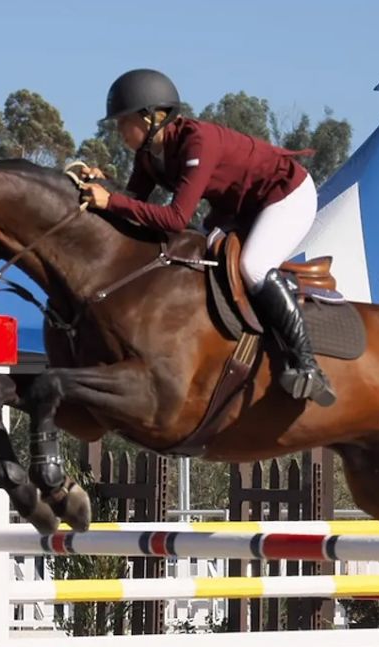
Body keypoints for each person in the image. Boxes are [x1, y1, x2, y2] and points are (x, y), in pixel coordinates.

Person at [79, 68, 336, 407]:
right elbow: (135, 202)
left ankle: (307, 365)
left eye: (124, 121)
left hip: (285, 194)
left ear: (152, 117)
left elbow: (175, 218)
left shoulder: (197, 142)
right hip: (240, 208)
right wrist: (105, 188)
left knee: (253, 266)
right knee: (192, 258)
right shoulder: (147, 155)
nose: (119, 130)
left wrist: (110, 200)